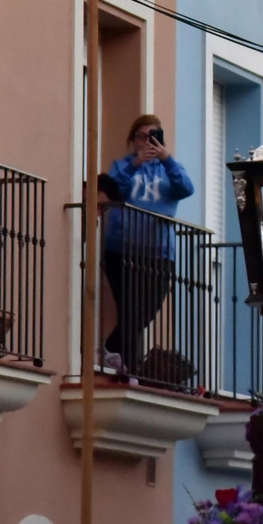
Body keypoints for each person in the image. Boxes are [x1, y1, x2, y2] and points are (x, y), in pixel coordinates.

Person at [101, 114, 194, 376]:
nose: (147, 142)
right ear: (132, 141)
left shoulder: (170, 169)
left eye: (153, 136)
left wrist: (166, 159)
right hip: (120, 251)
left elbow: (186, 188)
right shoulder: (121, 166)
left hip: (159, 254)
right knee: (129, 312)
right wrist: (135, 164)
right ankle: (127, 368)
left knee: (145, 311)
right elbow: (111, 190)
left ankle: (110, 349)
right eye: (141, 136)